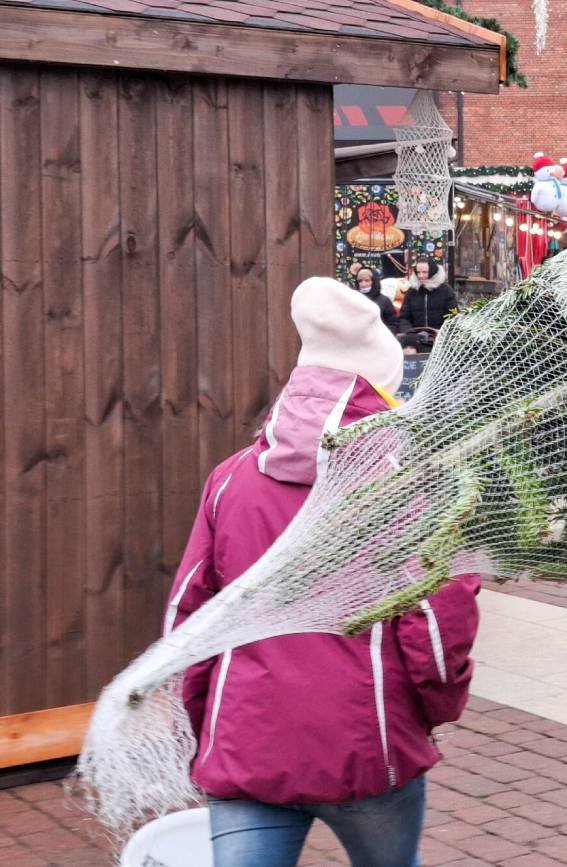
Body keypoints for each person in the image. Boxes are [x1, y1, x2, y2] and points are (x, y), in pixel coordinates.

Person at [165, 277, 480, 867]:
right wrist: (434, 710)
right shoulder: (413, 483)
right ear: (383, 388)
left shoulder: (232, 478)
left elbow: (189, 615)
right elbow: (438, 629)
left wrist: (207, 716)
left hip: (245, 744)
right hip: (369, 746)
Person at [397, 259, 458, 352]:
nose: (421, 276)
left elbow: (453, 316)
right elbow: (404, 317)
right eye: (418, 272)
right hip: (415, 339)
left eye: (425, 272)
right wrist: (409, 333)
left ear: (432, 271)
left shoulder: (446, 290)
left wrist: (442, 333)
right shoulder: (412, 291)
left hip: (440, 339)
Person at [354, 267, 401, 334]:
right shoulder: (354, 298)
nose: (363, 284)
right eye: (360, 281)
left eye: (367, 281)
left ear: (374, 282)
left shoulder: (384, 301)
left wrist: (384, 335)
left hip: (379, 337)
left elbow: (393, 323)